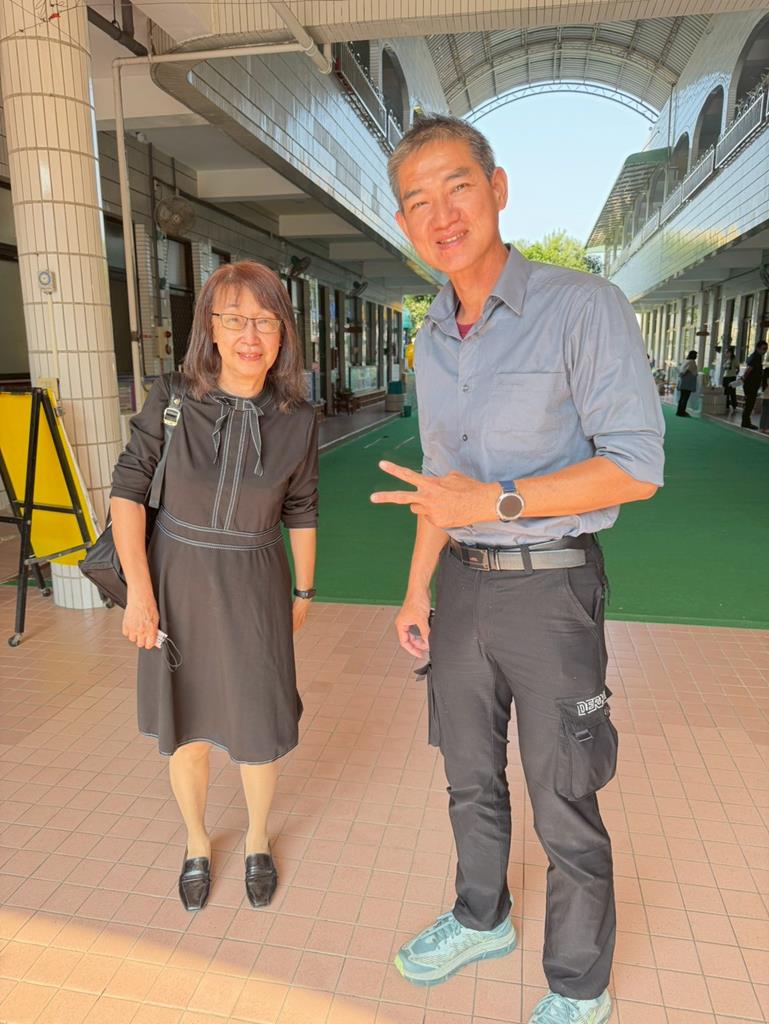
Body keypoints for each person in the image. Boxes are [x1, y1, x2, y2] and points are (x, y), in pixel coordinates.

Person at [371, 115, 664, 1024]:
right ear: (404, 222)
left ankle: (577, 984)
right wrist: (416, 588)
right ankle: (480, 916)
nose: (441, 214)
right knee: (467, 772)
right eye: (417, 201)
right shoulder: (432, 333)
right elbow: (439, 484)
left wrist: (494, 502)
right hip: (460, 586)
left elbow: (635, 466)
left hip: (551, 586)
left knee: (562, 790)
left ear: (496, 189)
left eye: (456, 186)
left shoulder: (582, 306)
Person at [110, 261, 318, 912]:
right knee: (188, 727)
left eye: (264, 321)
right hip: (177, 582)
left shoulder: (297, 418)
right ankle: (197, 841)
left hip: (256, 582)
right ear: (211, 327)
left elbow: (302, 507)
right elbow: (128, 489)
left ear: (283, 334)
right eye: (234, 319)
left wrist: (304, 593)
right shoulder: (172, 396)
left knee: (257, 721)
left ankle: (257, 839)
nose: (249, 335)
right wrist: (139, 593)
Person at [741, 339, 768, 430]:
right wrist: (743, 378)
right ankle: (745, 422)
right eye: (763, 349)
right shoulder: (755, 357)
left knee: (749, 404)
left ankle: (746, 422)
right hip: (750, 385)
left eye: (766, 349)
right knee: (749, 404)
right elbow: (749, 369)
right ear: (758, 348)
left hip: (752, 384)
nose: (765, 351)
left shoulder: (757, 357)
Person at [676, 350, 698, 417]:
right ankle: (682, 412)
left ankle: (679, 411)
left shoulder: (685, 361)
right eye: (696, 355)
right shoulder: (692, 362)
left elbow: (681, 371)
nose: (696, 356)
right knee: (685, 398)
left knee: (682, 397)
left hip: (683, 382)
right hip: (688, 383)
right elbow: (693, 372)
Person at [721, 345, 740, 414]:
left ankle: (734, 406)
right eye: (725, 352)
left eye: (727, 352)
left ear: (730, 352)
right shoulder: (726, 360)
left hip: (732, 377)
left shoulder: (735, 359)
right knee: (725, 392)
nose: (726, 353)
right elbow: (724, 367)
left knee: (732, 392)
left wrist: (735, 373)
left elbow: (738, 368)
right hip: (725, 377)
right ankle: (726, 405)